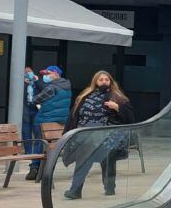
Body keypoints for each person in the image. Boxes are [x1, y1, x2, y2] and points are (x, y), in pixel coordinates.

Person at [63, 71, 134, 199]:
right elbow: (73, 116)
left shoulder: (118, 97)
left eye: (106, 79)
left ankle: (109, 188)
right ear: (95, 81)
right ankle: (75, 191)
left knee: (108, 163)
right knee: (82, 163)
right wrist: (67, 135)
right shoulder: (85, 96)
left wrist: (117, 107)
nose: (104, 82)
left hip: (107, 137)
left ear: (111, 82)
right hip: (86, 136)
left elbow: (130, 118)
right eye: (101, 79)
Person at [31, 66, 71, 180]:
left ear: (55, 74)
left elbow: (35, 100)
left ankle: (35, 168)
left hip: (45, 119)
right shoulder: (67, 87)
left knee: (39, 143)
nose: (45, 76)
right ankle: (47, 169)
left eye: (48, 73)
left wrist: (33, 87)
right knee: (50, 145)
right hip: (59, 121)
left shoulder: (51, 88)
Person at [21, 67, 43, 156]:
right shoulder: (21, 83)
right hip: (25, 111)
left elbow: (44, 89)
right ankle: (28, 151)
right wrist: (24, 83)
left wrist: (36, 81)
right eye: (26, 72)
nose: (28, 73)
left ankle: (37, 151)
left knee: (38, 131)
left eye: (30, 72)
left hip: (36, 110)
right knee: (26, 132)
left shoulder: (36, 83)